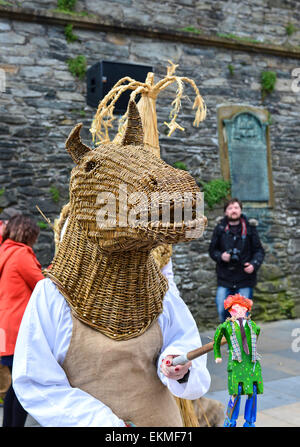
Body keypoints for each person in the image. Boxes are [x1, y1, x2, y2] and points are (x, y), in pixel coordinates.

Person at [0, 214, 44, 426]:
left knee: (15, 386)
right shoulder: (21, 254)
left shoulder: (4, 252)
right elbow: (41, 285)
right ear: (28, 233)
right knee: (23, 387)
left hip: (4, 330)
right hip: (18, 331)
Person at [209, 198, 265, 322]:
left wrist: (253, 265)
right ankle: (228, 340)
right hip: (225, 278)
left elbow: (259, 251)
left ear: (240, 210)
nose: (233, 210)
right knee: (222, 312)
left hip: (244, 278)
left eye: (236, 207)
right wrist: (221, 256)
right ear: (225, 212)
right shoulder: (220, 228)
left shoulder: (250, 228)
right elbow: (212, 251)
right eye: (230, 208)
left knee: (242, 316)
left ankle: (240, 341)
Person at [213, 293, 263, 427]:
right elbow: (216, 342)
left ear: (246, 309)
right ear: (230, 311)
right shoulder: (226, 327)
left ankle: (250, 422)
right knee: (237, 391)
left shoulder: (253, 326)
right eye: (235, 309)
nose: (238, 311)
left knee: (252, 391)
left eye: (241, 308)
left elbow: (255, 337)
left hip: (251, 363)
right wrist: (217, 355)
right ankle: (230, 421)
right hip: (236, 363)